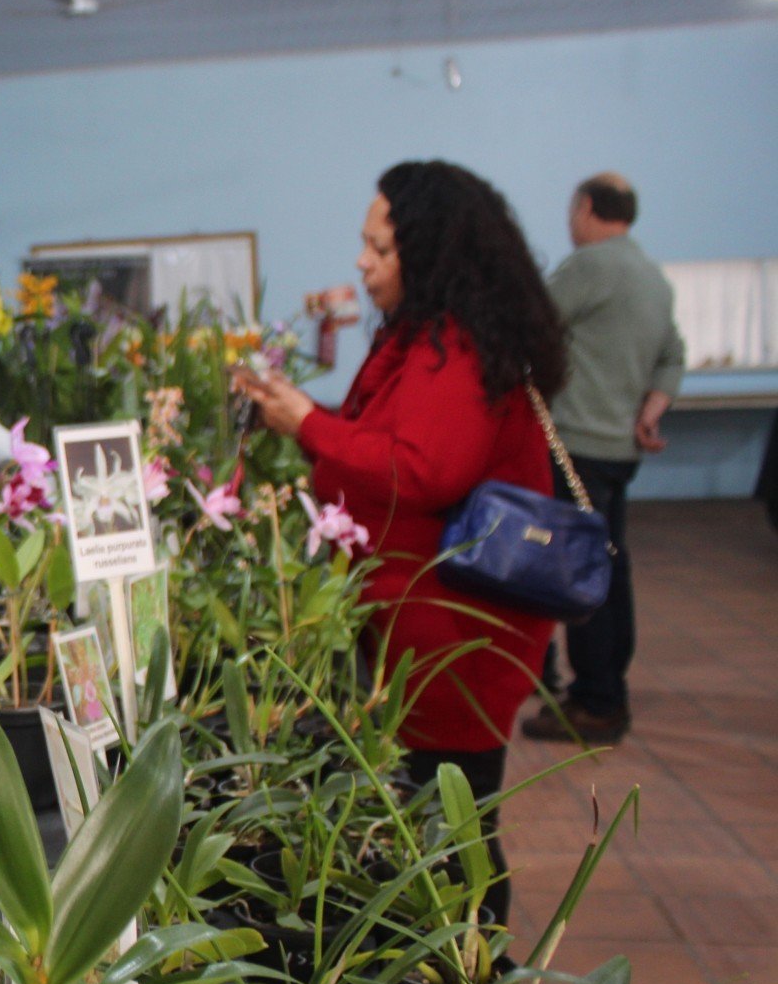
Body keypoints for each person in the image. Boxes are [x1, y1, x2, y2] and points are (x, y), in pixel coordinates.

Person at [233, 161, 570, 927]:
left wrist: (307, 426)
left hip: (455, 638)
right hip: (418, 623)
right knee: (431, 817)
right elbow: (385, 440)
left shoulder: (456, 346)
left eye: (378, 249)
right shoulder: (423, 339)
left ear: (431, 253)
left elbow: (421, 469)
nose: (361, 262)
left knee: (457, 826)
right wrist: (299, 413)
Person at [520, 173, 685, 746]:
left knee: (574, 574)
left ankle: (595, 701)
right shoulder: (651, 276)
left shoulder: (589, 266)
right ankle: (605, 686)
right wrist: (649, 412)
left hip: (574, 446)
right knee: (611, 567)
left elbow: (530, 325)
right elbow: (673, 357)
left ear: (586, 207)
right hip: (618, 449)